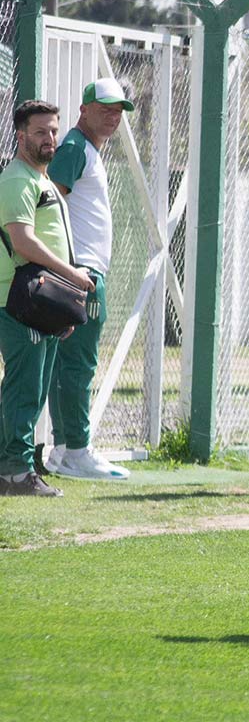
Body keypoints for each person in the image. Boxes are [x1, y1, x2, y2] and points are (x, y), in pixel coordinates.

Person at [0, 100, 95, 497]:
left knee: (35, 388)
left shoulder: (40, 179)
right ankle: (16, 473)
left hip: (42, 301)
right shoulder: (18, 179)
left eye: (54, 131)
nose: (50, 139)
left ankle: (19, 467)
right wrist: (73, 276)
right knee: (24, 388)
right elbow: (22, 241)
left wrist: (64, 305)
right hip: (19, 300)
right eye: (40, 132)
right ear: (21, 135)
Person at [43, 79, 136, 480]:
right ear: (83, 110)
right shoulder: (75, 148)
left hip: (79, 269)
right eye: (104, 108)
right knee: (79, 363)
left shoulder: (88, 151)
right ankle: (78, 449)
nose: (112, 116)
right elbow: (48, 203)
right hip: (80, 272)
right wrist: (69, 268)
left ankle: (64, 449)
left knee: (69, 363)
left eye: (118, 110)